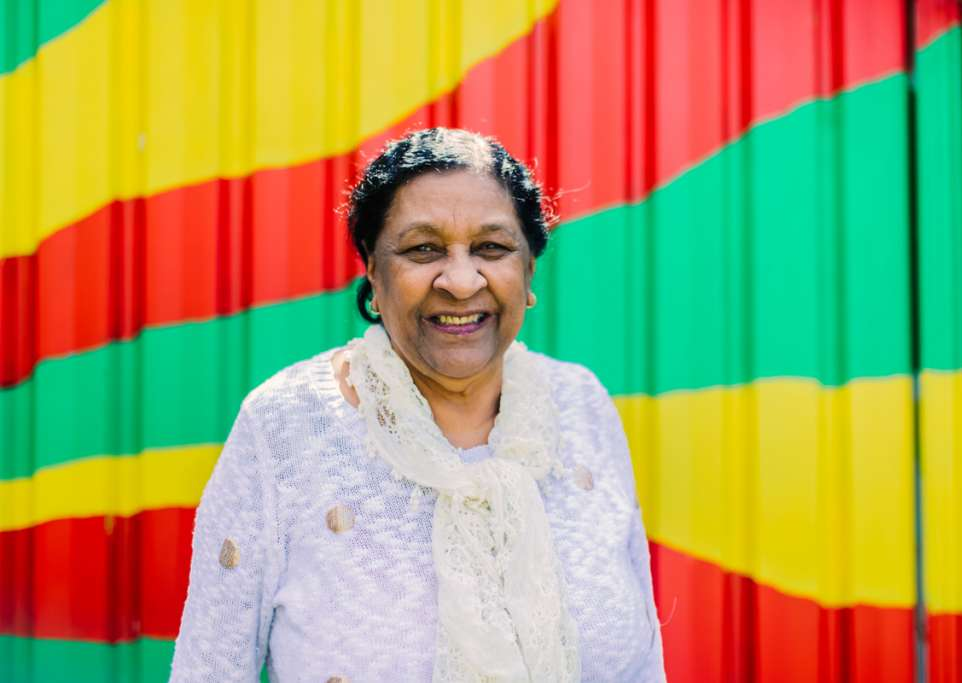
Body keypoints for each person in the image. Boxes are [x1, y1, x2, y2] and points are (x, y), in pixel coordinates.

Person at [169, 128, 665, 682]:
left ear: (528, 271)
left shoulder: (579, 406)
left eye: (492, 248)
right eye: (423, 249)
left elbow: (644, 666)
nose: (460, 281)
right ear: (373, 272)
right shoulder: (288, 427)